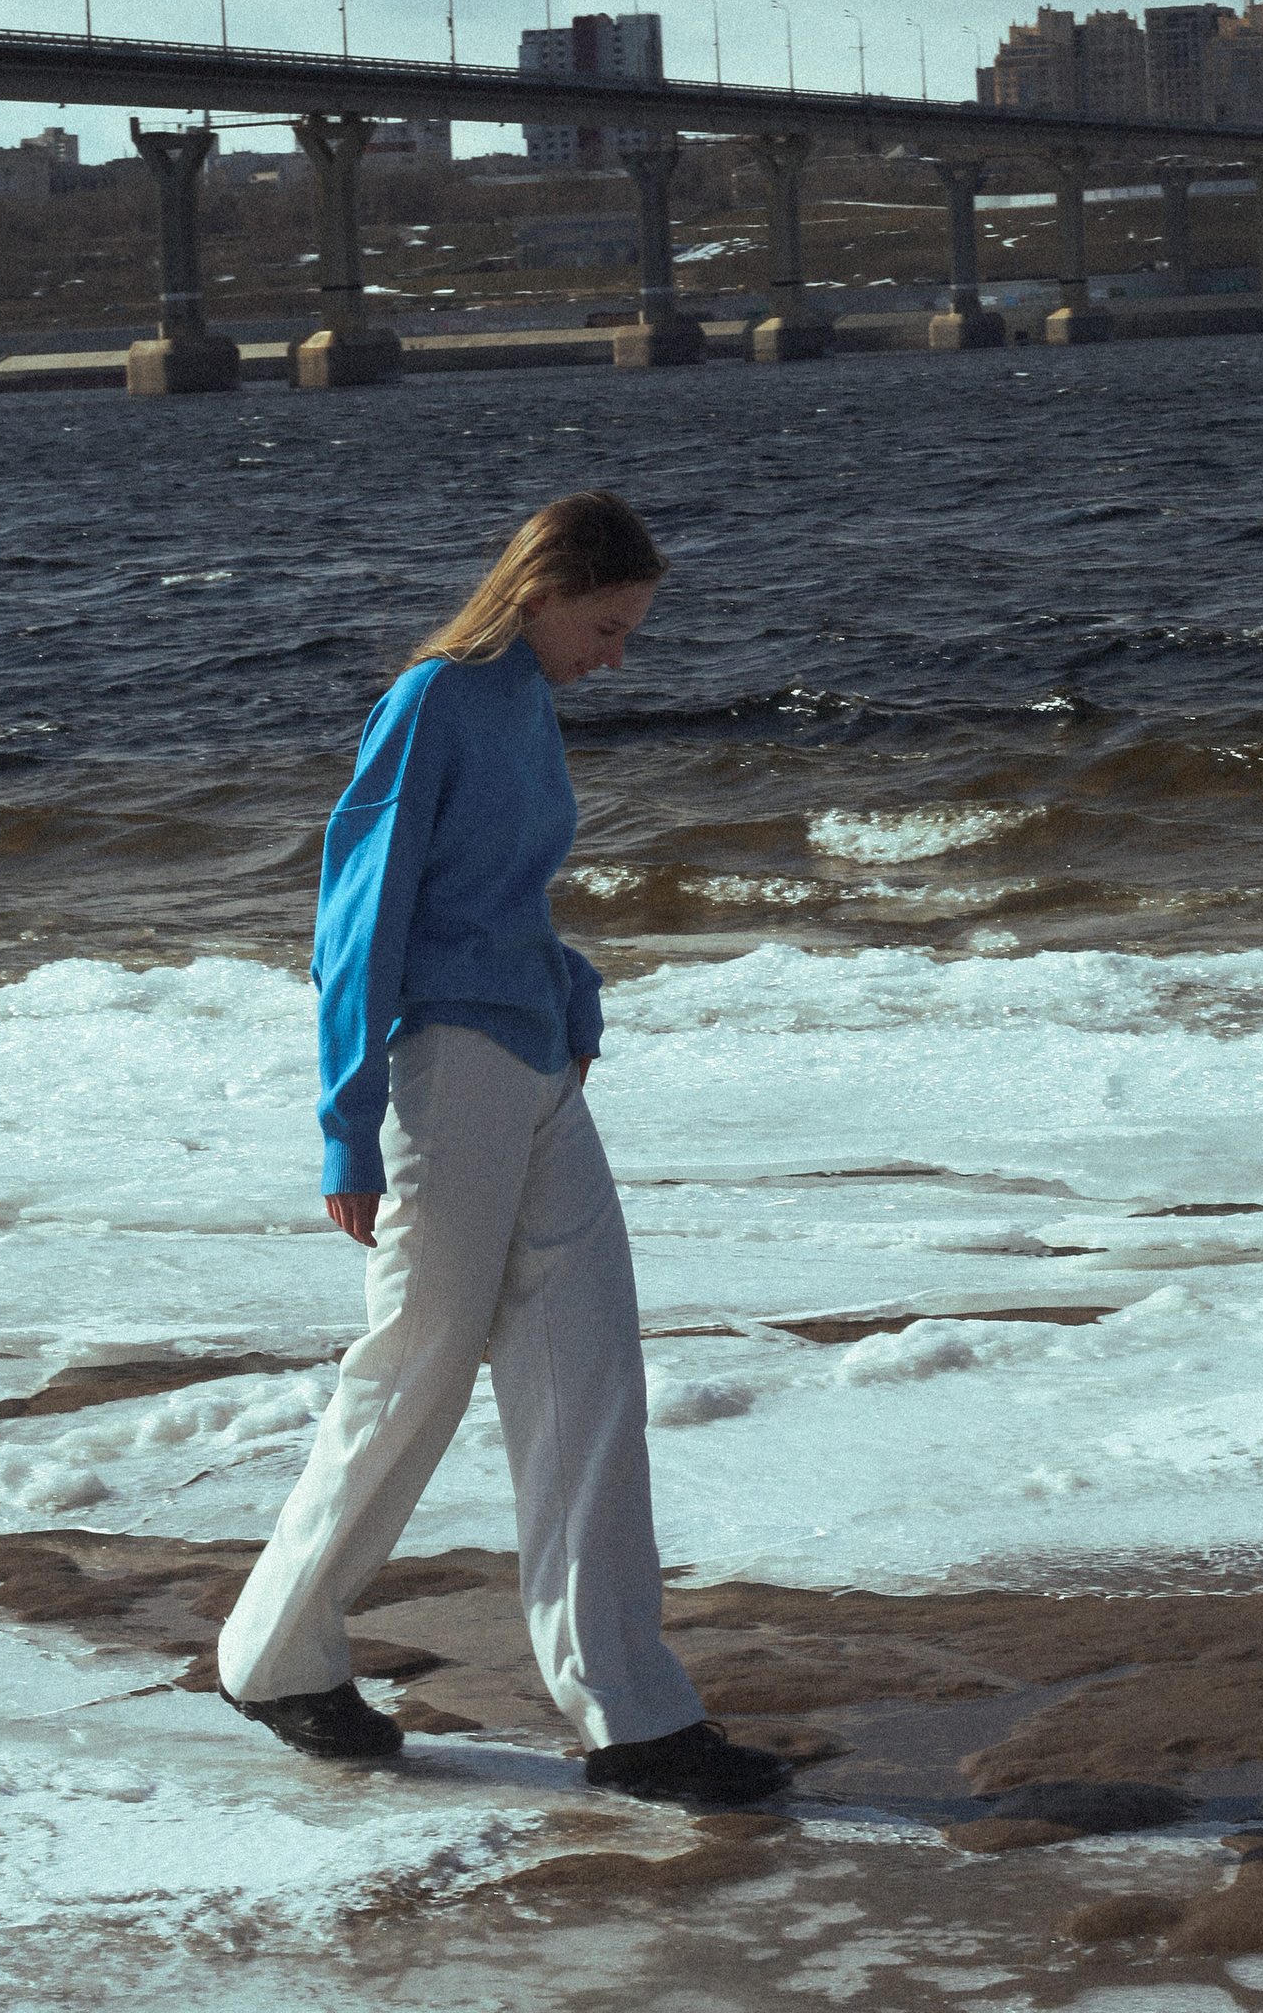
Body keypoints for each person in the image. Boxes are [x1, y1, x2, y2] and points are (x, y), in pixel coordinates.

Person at [216, 486, 788, 1809]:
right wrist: (345, 1123)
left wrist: (577, 998)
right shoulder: (432, 701)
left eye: (628, 631)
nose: (616, 656)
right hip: (444, 1071)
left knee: (589, 1369)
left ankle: (632, 1715)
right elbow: (358, 915)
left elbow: (506, 894)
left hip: (538, 1065)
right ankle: (277, 1652)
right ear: (538, 596)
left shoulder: (528, 703)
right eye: (606, 625)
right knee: (415, 1366)